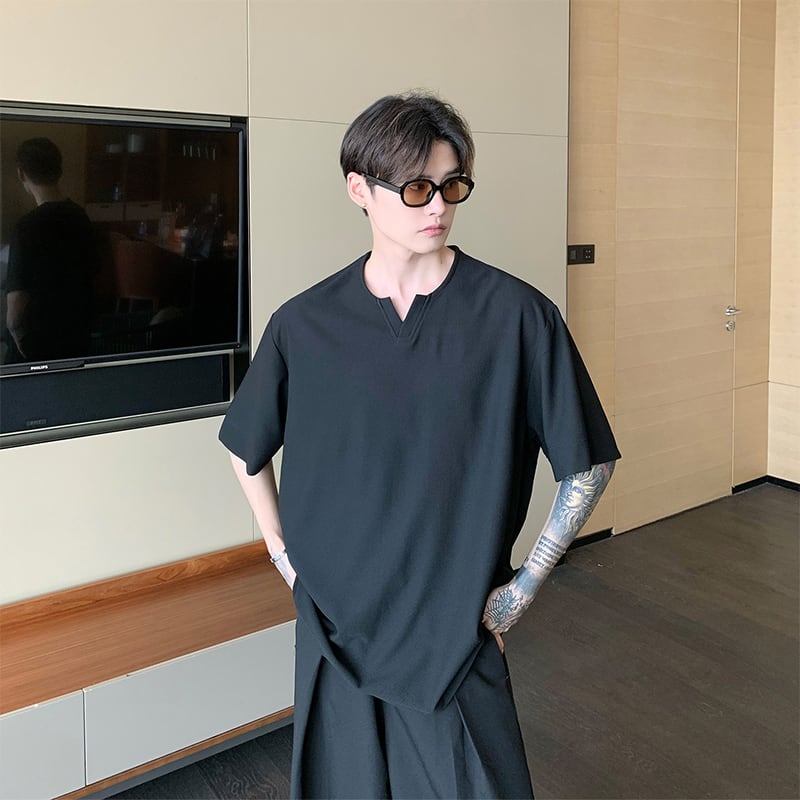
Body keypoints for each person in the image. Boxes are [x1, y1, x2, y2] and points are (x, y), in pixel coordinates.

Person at [219, 91, 620, 799]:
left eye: (451, 185)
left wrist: (524, 588)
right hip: (334, 619)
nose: (437, 206)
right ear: (359, 190)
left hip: (453, 625)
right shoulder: (305, 323)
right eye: (415, 188)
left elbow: (587, 463)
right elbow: (246, 447)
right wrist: (284, 558)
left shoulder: (517, 316)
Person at [3, 137, 98, 363]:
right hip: (77, 339)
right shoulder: (80, 217)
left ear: (21, 174)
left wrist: (16, 334)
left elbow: (15, 310)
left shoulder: (26, 228)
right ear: (59, 171)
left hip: (37, 344)